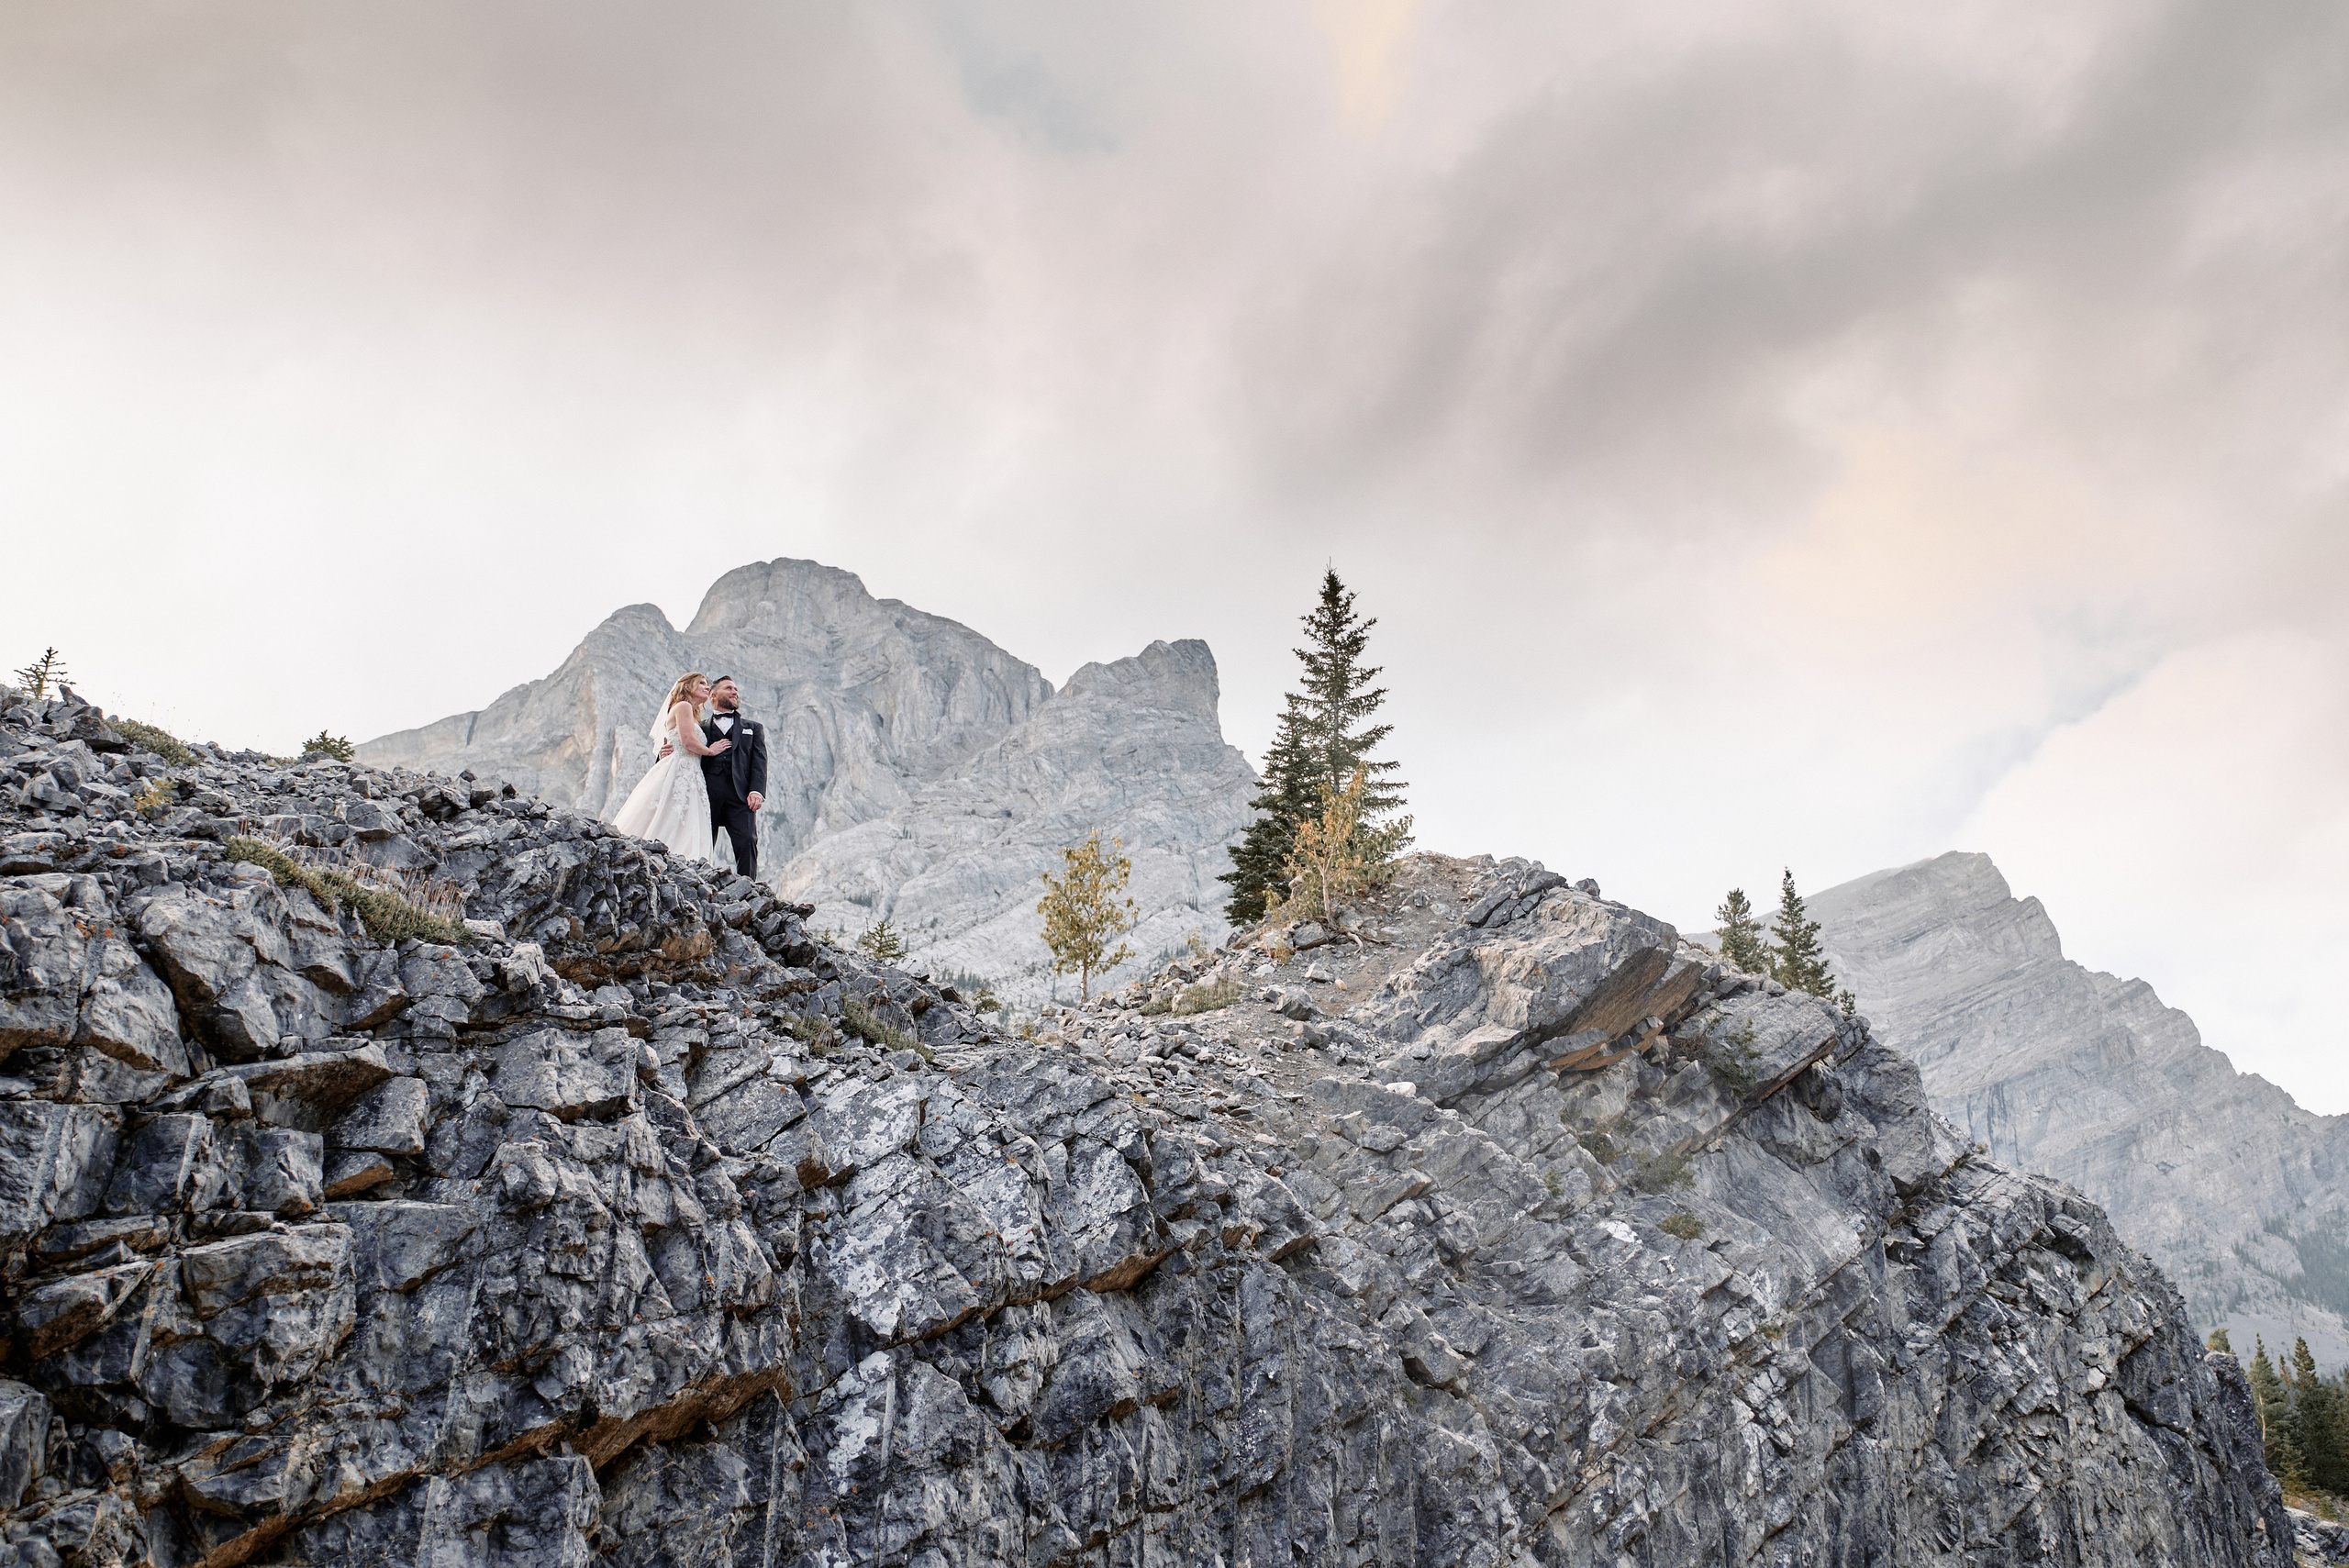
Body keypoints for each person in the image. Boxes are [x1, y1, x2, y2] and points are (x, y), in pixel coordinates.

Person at [606, 673, 731, 862]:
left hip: (690, 772)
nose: (707, 687)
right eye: (702, 683)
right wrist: (710, 751)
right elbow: (687, 741)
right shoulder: (683, 706)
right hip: (679, 770)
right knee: (673, 813)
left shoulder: (689, 712)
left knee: (682, 816)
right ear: (688, 687)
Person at [661, 674, 768, 877]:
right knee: (702, 841)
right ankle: (699, 883)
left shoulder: (753, 728)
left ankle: (750, 890)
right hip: (706, 796)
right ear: (713, 695)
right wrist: (662, 754)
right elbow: (680, 746)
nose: (734, 692)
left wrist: (756, 791)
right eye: (728, 688)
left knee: (747, 841)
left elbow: (760, 763)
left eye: (736, 689)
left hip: (741, 797)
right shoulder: (699, 727)